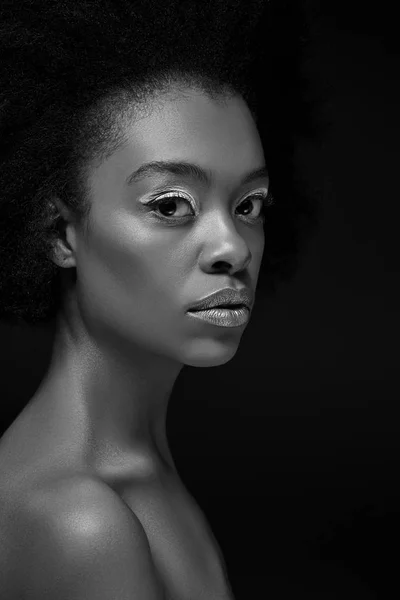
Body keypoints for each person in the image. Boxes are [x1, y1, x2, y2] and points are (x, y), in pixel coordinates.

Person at [0, 1, 323, 598]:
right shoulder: (79, 522)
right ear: (60, 234)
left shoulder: (137, 472)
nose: (233, 247)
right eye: (171, 205)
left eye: (250, 204)